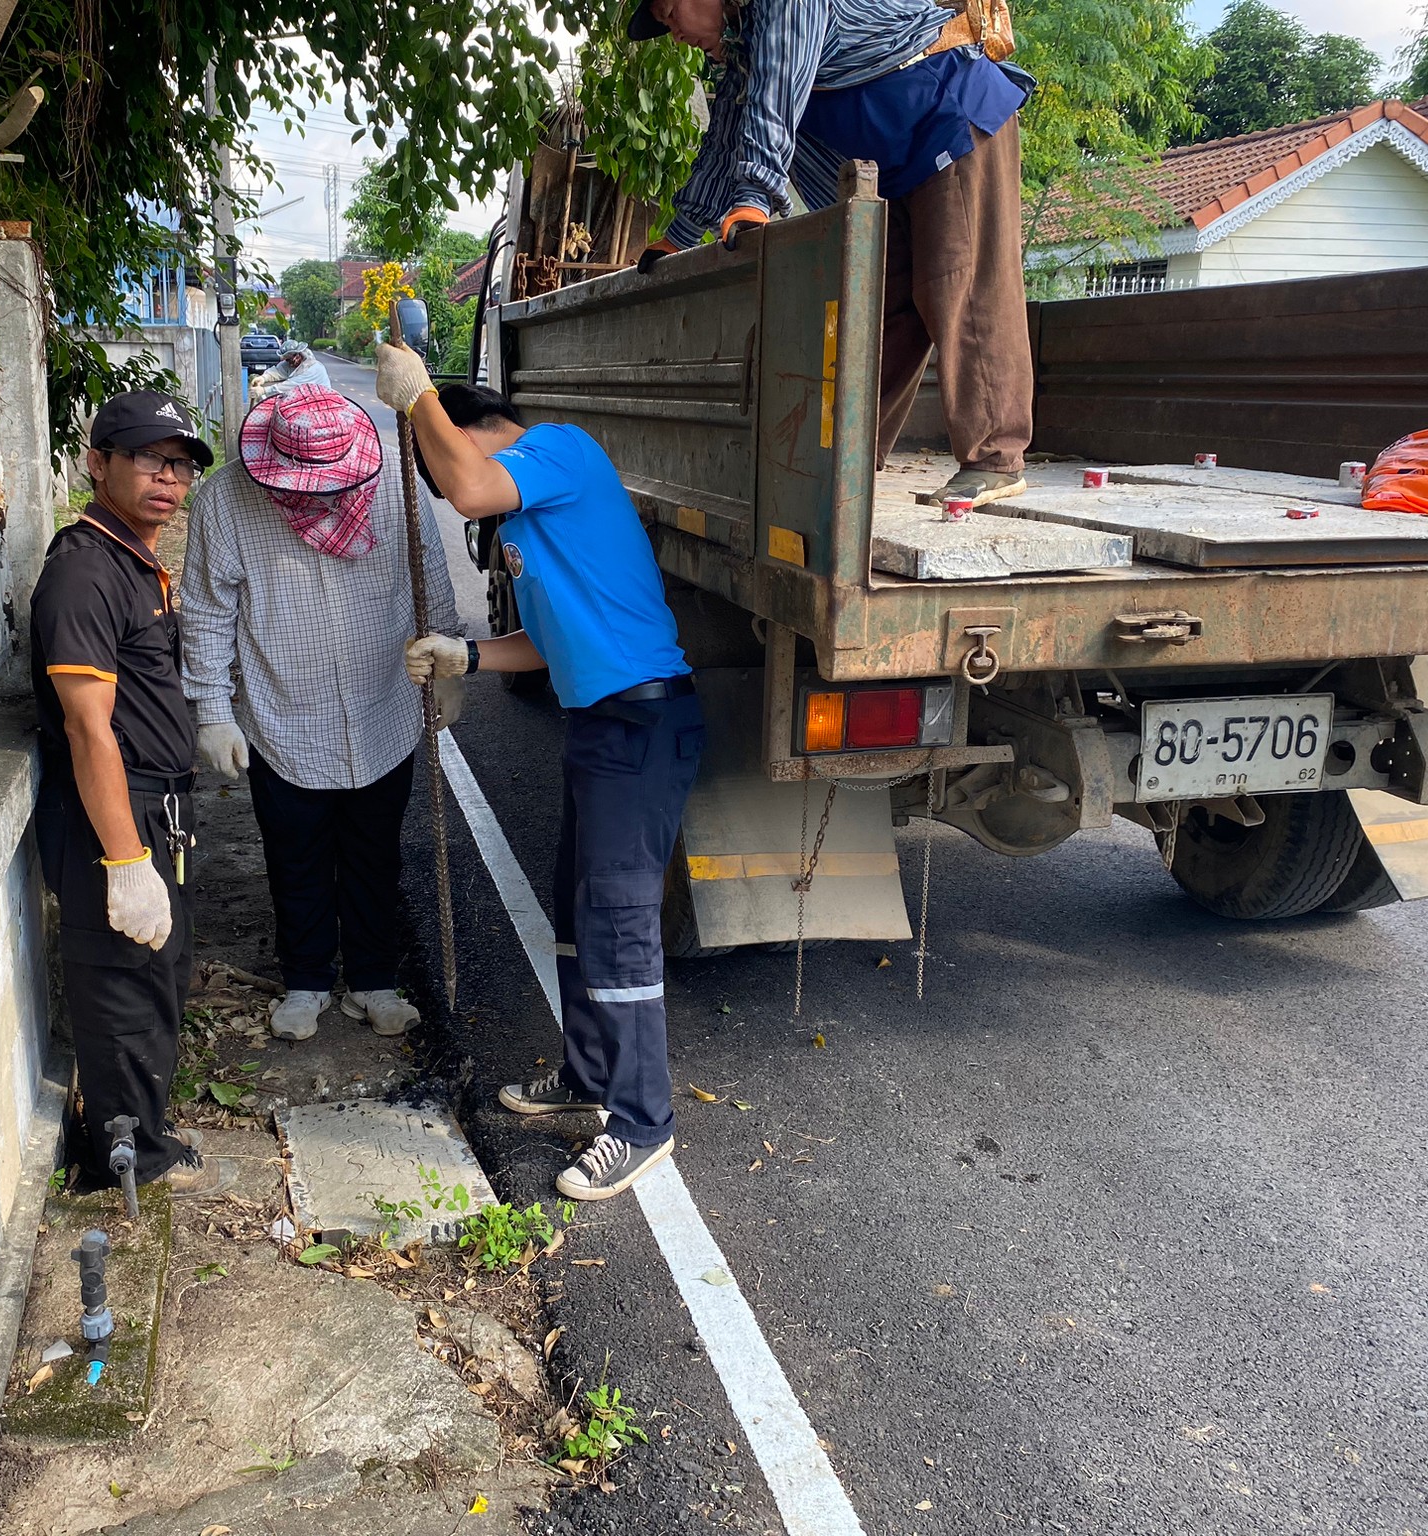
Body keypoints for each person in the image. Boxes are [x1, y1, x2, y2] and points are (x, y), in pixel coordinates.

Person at [375, 356, 702, 1203]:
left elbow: (468, 485)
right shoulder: (531, 519)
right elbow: (552, 643)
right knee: (578, 909)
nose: (461, 500)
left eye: (450, 457)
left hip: (642, 720)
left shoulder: (559, 449)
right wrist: (469, 654)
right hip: (599, 722)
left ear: (476, 428)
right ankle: (589, 1075)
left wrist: (417, 397)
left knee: (619, 922)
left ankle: (643, 1122)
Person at [632, 0, 1034, 508]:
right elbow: (726, 136)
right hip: (897, 164)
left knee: (959, 280)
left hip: (950, 114)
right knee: (876, 307)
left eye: (671, 12)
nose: (675, 33)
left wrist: (756, 194)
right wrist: (681, 234)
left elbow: (778, 88)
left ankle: (995, 458)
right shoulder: (743, 50)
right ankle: (846, 459)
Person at [180, 384, 464, 1042]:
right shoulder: (225, 500)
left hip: (383, 706)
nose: (321, 498)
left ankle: (373, 981)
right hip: (282, 714)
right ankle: (306, 980)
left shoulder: (397, 483)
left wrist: (449, 669)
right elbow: (206, 611)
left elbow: (431, 575)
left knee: (375, 853)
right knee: (295, 854)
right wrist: (212, 709)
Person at [31, 391, 228, 1197]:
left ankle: (145, 1136)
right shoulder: (85, 570)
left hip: (158, 807)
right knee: (121, 981)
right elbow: (88, 729)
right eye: (149, 459)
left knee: (157, 976)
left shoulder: (132, 559)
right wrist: (123, 858)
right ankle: (124, 1162)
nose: (168, 479)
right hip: (116, 812)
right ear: (98, 462)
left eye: (180, 465)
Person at [250, 338, 331, 402]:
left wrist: (264, 390)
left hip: (322, 400)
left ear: (298, 354)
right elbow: (278, 371)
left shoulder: (313, 368)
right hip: (305, 401)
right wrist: (264, 378)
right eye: (287, 360)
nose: (289, 362)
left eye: (289, 359)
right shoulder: (291, 363)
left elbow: (290, 386)